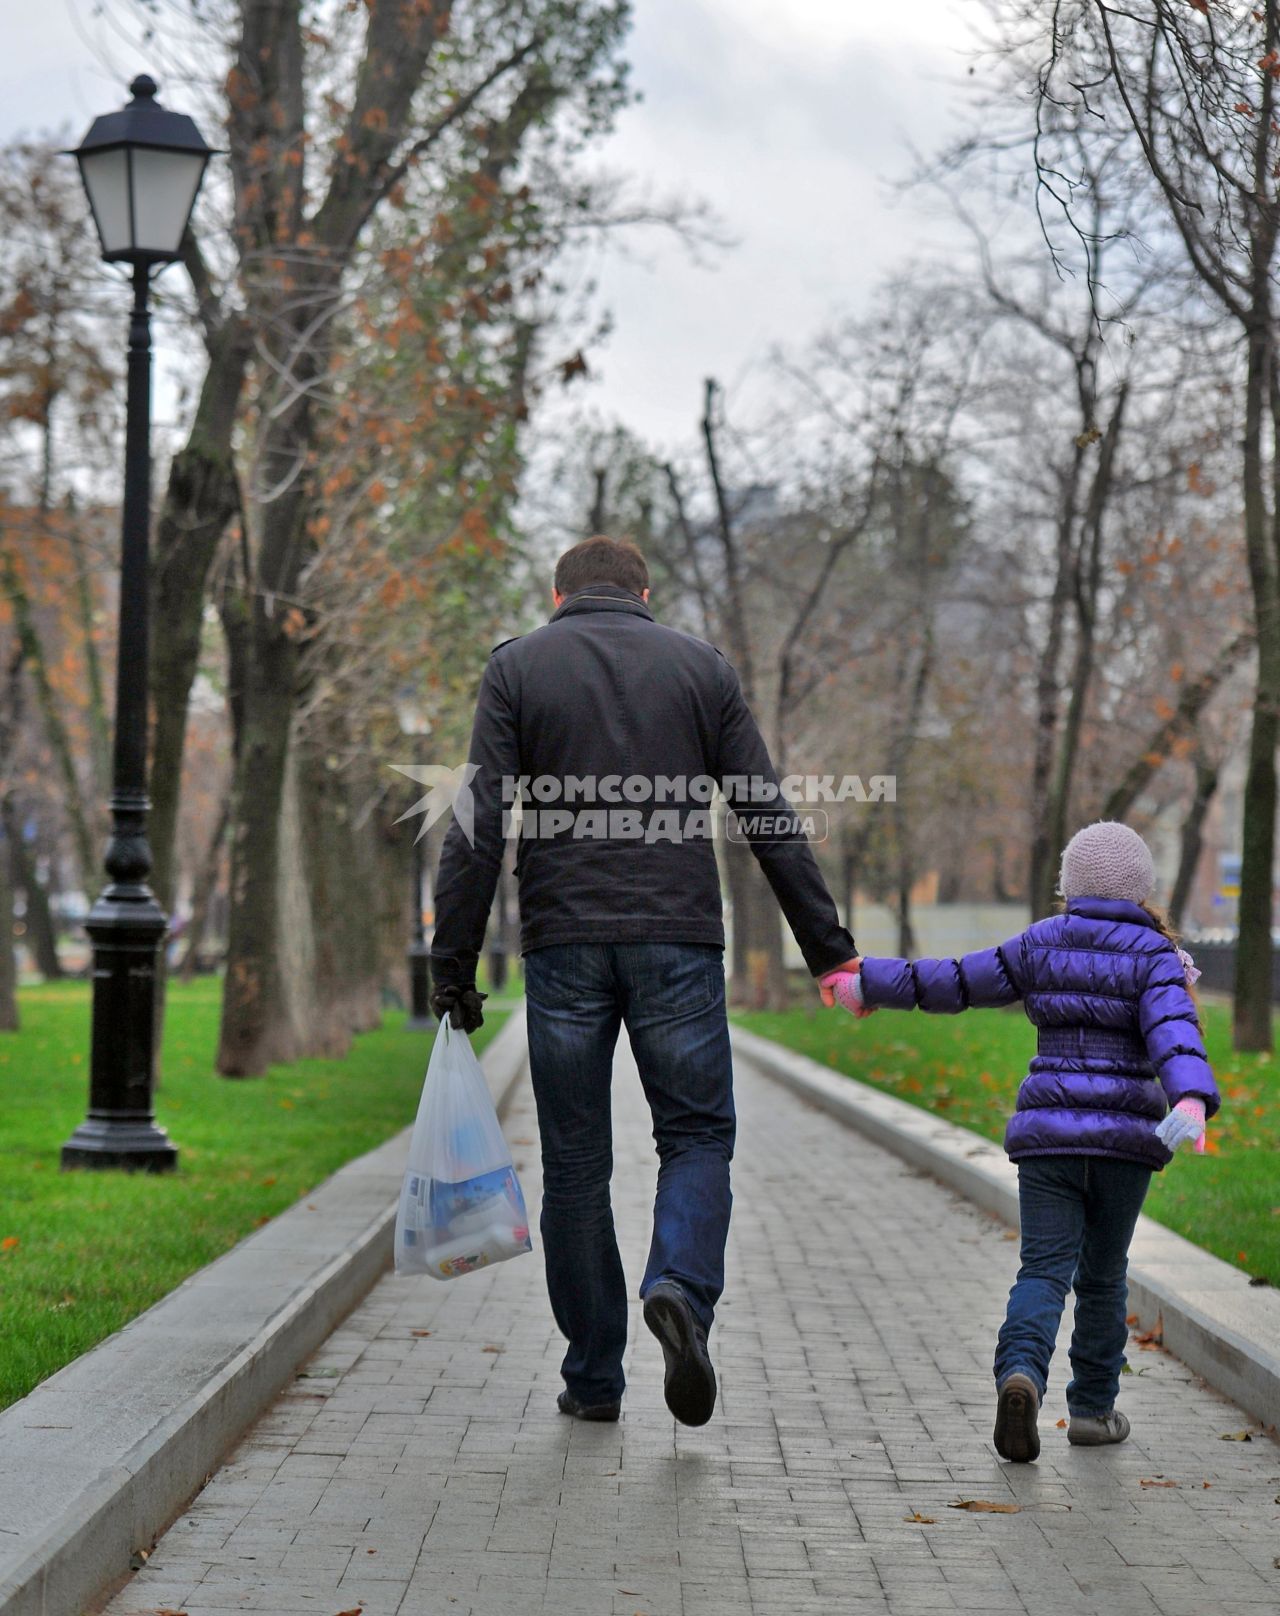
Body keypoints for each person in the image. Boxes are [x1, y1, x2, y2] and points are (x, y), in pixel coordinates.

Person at [430, 536, 857, 1425]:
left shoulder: (517, 670)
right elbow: (765, 812)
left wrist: (453, 963)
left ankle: (593, 1379)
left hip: (563, 943)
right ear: (645, 593)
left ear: (558, 594)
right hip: (678, 937)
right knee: (696, 1135)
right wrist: (828, 950)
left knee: (576, 1167)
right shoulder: (701, 667)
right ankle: (681, 1291)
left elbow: (477, 824)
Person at [822, 821, 1219, 1463]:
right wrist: (1191, 1098)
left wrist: (866, 982)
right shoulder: (1154, 957)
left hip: (1048, 1141)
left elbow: (953, 979)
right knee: (1103, 1275)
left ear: (1070, 887)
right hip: (1124, 1146)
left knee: (1043, 1269)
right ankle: (1092, 1410)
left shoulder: (1043, 943)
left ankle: (1021, 1377)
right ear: (1143, 889)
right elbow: (1175, 1032)